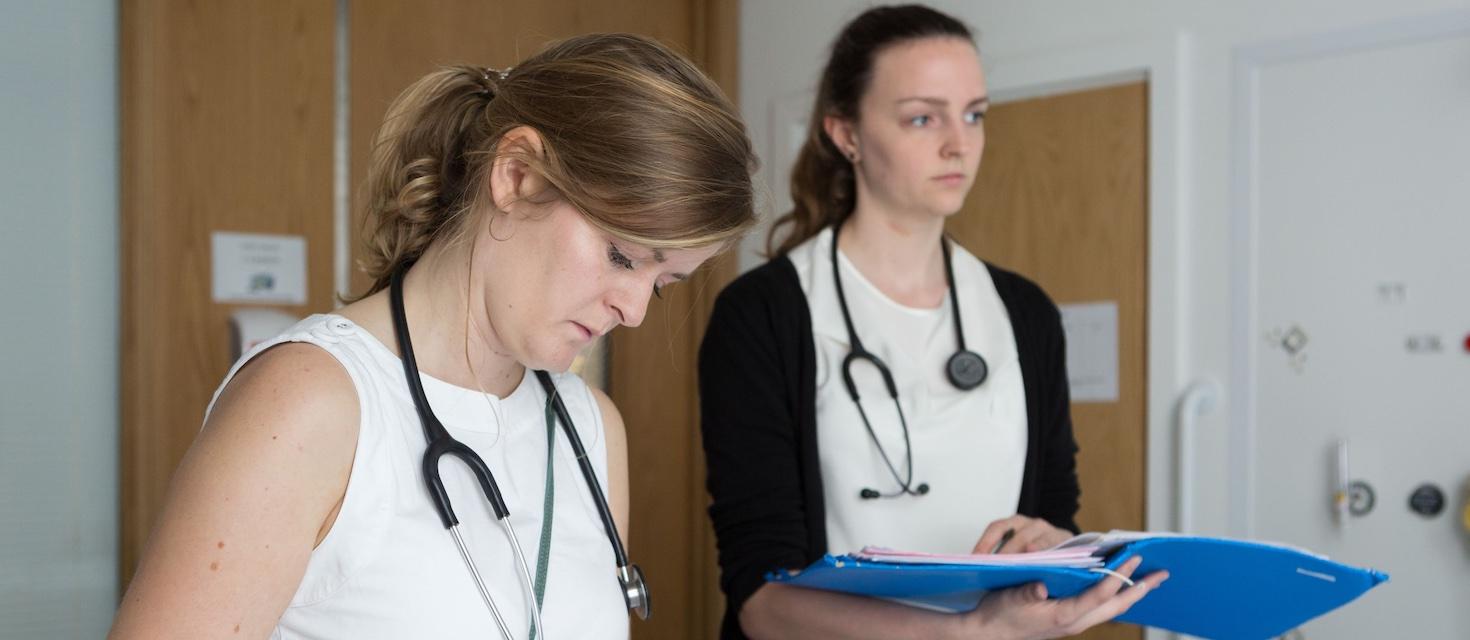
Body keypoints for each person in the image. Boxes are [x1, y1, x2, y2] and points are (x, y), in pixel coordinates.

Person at [110, 33, 756, 639]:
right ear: (518, 174)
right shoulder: (311, 401)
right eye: (622, 255)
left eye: (664, 281)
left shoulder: (589, 428)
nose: (635, 310)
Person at [698, 5, 1166, 638]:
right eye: (923, 117)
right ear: (847, 134)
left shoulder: (1024, 312)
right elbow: (760, 599)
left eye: (974, 114)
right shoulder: (763, 315)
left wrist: (1054, 544)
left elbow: (1056, 511)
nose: (959, 143)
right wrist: (968, 632)